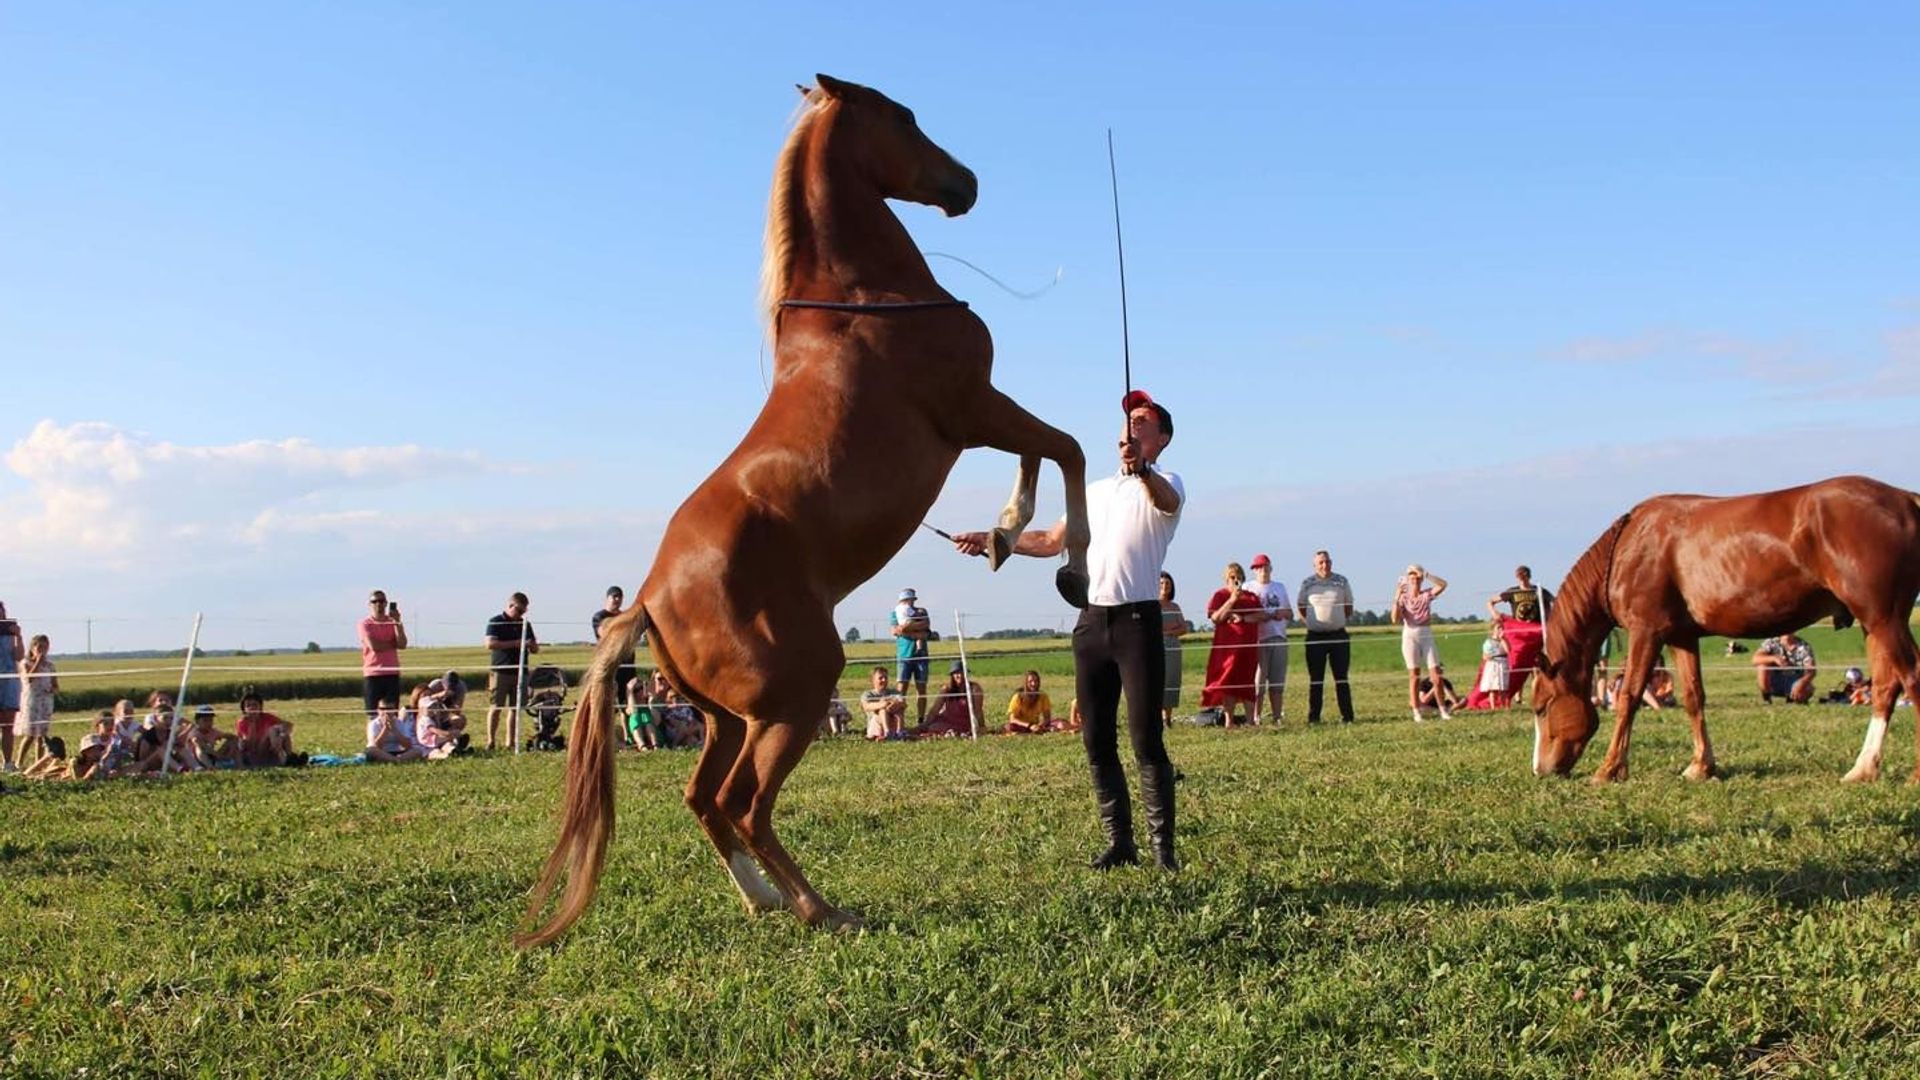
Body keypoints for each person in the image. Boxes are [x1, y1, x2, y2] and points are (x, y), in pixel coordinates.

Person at [953, 388, 1184, 871]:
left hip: (1138, 622)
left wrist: (1141, 469)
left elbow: (1164, 500)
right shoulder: (1093, 492)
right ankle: (1121, 844)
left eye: (1142, 422)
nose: (1131, 428)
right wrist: (997, 540)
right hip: (1091, 624)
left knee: (1145, 740)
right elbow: (1052, 539)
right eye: (1128, 421)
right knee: (1096, 739)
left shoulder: (1167, 483)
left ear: (1160, 438)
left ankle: (1164, 853)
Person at [1297, 550, 1356, 724]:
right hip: (1315, 637)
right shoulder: (1307, 584)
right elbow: (1301, 607)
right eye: (1321, 562)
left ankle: (1347, 716)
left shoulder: (1341, 581)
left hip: (1338, 635)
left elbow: (1348, 607)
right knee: (1316, 680)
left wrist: (1335, 620)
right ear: (1315, 565)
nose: (1325, 565)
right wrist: (1312, 623)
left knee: (1341, 678)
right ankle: (1314, 717)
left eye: (1327, 562)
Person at [1201, 562, 1263, 728]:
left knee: (1248, 681)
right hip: (1226, 649)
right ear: (1226, 579)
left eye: (1239, 577)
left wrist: (1243, 618)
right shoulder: (1219, 595)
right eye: (1232, 578)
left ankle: (1251, 721)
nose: (1236, 580)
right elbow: (1215, 618)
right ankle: (1229, 721)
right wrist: (1232, 600)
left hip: (1248, 648)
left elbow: (1261, 615)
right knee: (1228, 682)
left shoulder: (1251, 597)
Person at [1392, 565, 1451, 722]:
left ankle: (1443, 710)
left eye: (1417, 578)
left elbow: (1443, 585)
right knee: (1414, 676)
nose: (1415, 581)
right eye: (1412, 578)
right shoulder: (1404, 597)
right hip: (1410, 635)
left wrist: (1426, 574)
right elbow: (1395, 619)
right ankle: (1416, 711)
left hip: (1426, 634)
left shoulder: (1426, 595)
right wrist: (1397, 597)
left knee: (1436, 676)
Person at [483, 592, 539, 750]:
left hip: (520, 672)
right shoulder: (496, 622)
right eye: (519, 611)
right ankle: (491, 741)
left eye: (524, 611)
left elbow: (535, 647)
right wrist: (516, 643)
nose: (521, 614)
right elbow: (490, 644)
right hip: (501, 671)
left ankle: (511, 742)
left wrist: (532, 646)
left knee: (515, 708)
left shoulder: (525, 624)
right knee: (496, 707)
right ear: (510, 605)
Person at [1488, 566, 1553, 697]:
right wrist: (1494, 613)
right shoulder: (1512, 592)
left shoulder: (1538, 590)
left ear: (1528, 576)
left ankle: (1536, 692)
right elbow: (1490, 601)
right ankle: (1517, 694)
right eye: (1519, 577)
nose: (1521, 580)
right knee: (1518, 663)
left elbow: (1553, 601)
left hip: (1535, 632)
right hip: (1519, 633)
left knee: (1536, 664)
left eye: (1523, 577)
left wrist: (1548, 617)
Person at [1244, 554, 1292, 725]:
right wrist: (1260, 616)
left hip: (1278, 636)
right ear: (1255, 570)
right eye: (1259, 568)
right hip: (1258, 639)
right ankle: (1256, 716)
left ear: (1270, 568)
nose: (1263, 570)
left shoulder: (1279, 587)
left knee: (1277, 681)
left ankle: (1277, 716)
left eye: (1265, 567)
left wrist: (1281, 613)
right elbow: (1244, 614)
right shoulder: (1248, 587)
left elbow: (1289, 612)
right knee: (1258, 681)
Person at [358, 590, 408, 720]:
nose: (378, 604)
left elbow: (402, 644)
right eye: (375, 601)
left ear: (386, 603)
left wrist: (397, 622)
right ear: (369, 604)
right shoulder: (365, 624)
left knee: (392, 714)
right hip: (373, 673)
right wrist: (393, 644)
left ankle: (392, 739)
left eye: (381, 601)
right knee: (373, 715)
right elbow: (374, 646)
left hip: (391, 672)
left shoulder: (393, 623)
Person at [890, 588, 932, 726]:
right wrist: (916, 631)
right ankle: (898, 720)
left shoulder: (921, 611)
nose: (910, 602)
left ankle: (921, 719)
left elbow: (925, 625)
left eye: (912, 599)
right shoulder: (895, 612)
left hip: (921, 655)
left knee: (921, 688)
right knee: (901, 688)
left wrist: (908, 628)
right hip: (904, 655)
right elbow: (896, 630)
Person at [16, 633, 58, 765]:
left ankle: (38, 763)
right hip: (32, 701)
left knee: (42, 735)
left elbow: (56, 684)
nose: (42, 649)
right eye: (39, 646)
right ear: (33, 647)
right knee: (30, 734)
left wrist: (52, 689)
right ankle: (19, 762)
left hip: (45, 701)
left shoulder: (50, 665)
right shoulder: (25, 663)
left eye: (45, 647)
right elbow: (29, 678)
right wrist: (38, 661)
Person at [591, 586, 637, 707]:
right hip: (610, 663)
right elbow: (604, 634)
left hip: (627, 662)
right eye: (614, 596)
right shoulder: (599, 616)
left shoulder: (626, 616)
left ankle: (627, 725)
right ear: (607, 598)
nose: (617, 599)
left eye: (620, 597)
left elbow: (632, 635)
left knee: (628, 700)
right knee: (607, 700)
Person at [921, 661, 983, 738]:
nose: (959, 675)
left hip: (965, 722)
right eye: (956, 673)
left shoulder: (974, 688)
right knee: (932, 727)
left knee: (936, 729)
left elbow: (978, 711)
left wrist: (978, 726)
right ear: (952, 675)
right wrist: (926, 724)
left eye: (962, 672)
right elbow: (935, 709)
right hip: (947, 720)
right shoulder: (946, 689)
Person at [236, 689, 296, 767]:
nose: (252, 708)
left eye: (255, 705)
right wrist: (253, 723)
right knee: (271, 731)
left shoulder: (267, 717)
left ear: (260, 707)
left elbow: (289, 725)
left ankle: (290, 757)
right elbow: (250, 744)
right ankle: (288, 760)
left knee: (280, 731)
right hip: (254, 754)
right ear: (244, 709)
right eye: (248, 705)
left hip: (270, 751)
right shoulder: (242, 722)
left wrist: (281, 736)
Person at [1754, 630, 1817, 704]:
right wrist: (1774, 658)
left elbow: (1811, 671)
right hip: (1774, 680)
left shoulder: (1804, 646)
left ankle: (1792, 698)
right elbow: (1755, 659)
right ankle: (1766, 698)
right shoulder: (1771, 642)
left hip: (1794, 680)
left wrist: (1802, 683)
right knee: (1762, 666)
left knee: (1806, 690)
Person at [1157, 573, 1184, 728]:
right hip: (1157, 647)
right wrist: (1171, 629)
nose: (1165, 586)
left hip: (1174, 648)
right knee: (1159, 681)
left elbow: (1184, 628)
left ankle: (1168, 717)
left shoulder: (1175, 607)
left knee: (1172, 680)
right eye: (1161, 583)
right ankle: (1158, 717)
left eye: (1167, 583)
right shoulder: (1153, 606)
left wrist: (1169, 631)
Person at [365, 698, 426, 763]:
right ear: (378, 710)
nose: (386, 712)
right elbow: (376, 745)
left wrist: (394, 729)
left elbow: (408, 745)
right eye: (382, 709)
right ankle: (396, 760)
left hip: (397, 751)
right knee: (371, 751)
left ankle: (394, 760)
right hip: (381, 752)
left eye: (389, 709)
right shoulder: (373, 724)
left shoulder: (400, 723)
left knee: (418, 751)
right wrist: (385, 729)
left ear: (394, 710)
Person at [0, 602, 23, 773]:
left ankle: (7, 762)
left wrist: (18, 636)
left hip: (9, 682)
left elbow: (19, 656)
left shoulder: (10, 633)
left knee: (8, 725)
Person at [181, 705, 238, 771]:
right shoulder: (194, 732)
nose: (208, 723)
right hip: (196, 759)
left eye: (210, 720)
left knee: (232, 740)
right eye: (205, 720)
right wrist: (216, 754)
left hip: (213, 755)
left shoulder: (213, 731)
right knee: (199, 747)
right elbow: (198, 743)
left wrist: (232, 739)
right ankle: (210, 767)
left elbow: (230, 736)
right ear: (197, 721)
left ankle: (229, 761)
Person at [859, 666, 908, 741]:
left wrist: (895, 705)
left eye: (886, 677)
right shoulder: (868, 694)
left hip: (894, 722)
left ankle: (900, 732)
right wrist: (884, 704)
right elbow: (866, 706)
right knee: (882, 710)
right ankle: (887, 733)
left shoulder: (894, 692)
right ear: (873, 680)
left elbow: (904, 703)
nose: (884, 680)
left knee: (899, 710)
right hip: (876, 725)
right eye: (880, 678)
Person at [1005, 669, 1055, 734]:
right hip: (1021, 725)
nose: (1033, 684)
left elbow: (1047, 718)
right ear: (1026, 683)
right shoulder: (1018, 696)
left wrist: (1040, 726)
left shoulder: (1043, 696)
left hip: (1035, 725)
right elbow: (1012, 719)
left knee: (1058, 725)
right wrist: (1029, 725)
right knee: (1009, 727)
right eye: (1030, 681)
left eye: (1036, 681)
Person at [1477, 616, 1512, 708]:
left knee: (1503, 687)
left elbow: (1508, 650)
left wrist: (1502, 639)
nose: (1500, 629)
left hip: (1503, 663)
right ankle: (1493, 707)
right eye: (1498, 628)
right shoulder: (1488, 642)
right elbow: (1484, 655)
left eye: (1502, 627)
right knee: (1493, 687)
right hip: (1493, 664)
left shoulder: (1504, 640)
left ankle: (1504, 705)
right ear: (1493, 629)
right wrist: (1487, 657)